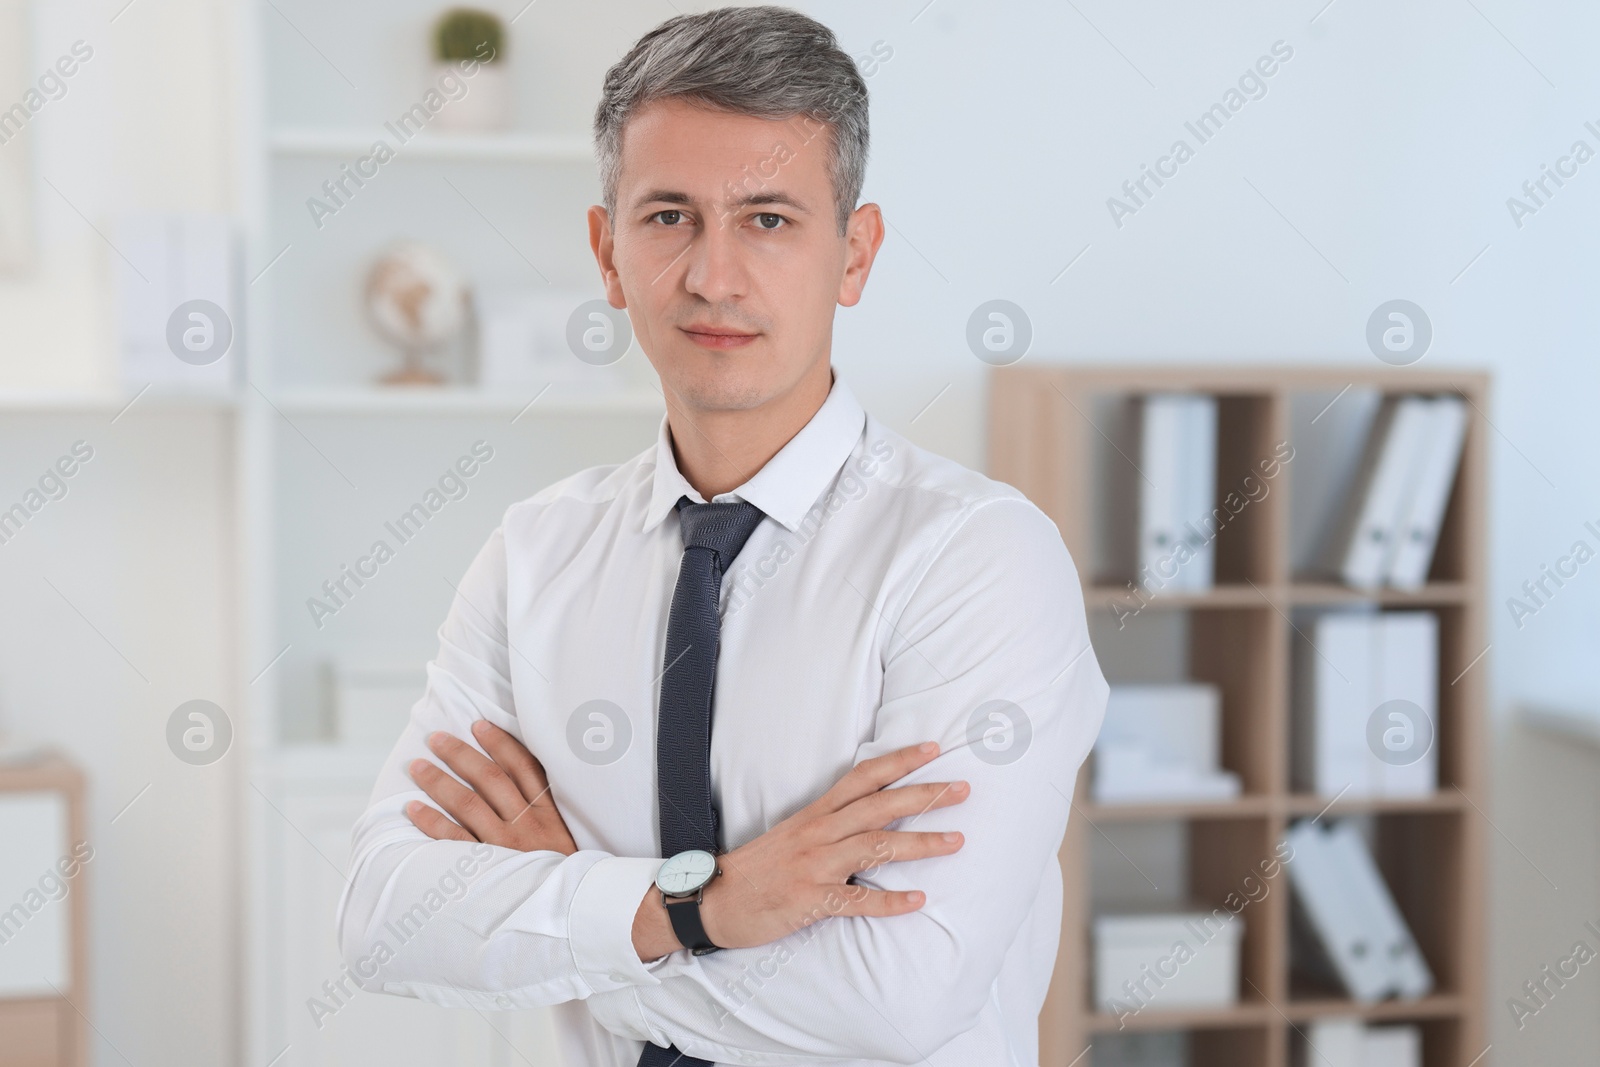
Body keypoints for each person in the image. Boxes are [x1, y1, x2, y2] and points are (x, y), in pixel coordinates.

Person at [336, 7, 1107, 1065]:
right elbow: (385, 915)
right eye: (668, 217)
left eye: (770, 219)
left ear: (855, 252)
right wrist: (698, 906)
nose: (712, 276)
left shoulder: (975, 561)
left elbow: (894, 998)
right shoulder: (535, 555)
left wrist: (589, 910)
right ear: (608, 254)